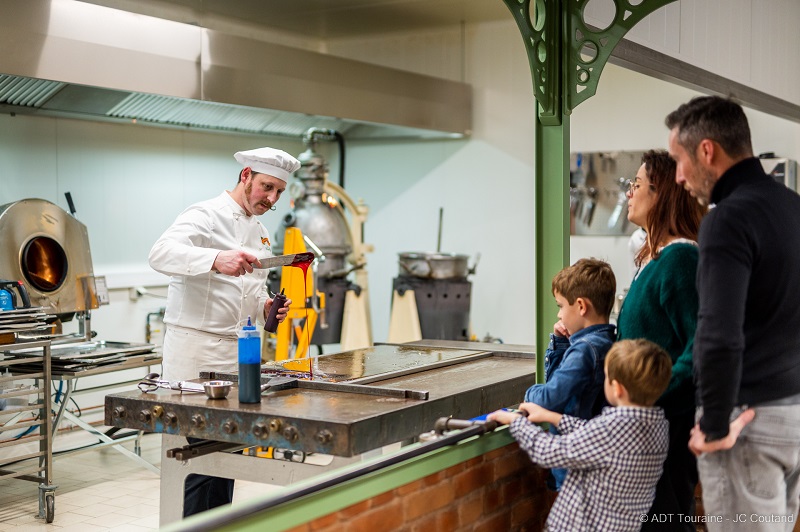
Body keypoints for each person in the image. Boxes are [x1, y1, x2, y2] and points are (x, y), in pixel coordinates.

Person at [667, 95, 800, 531]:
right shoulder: (793, 206)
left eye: (679, 160)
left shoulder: (727, 218)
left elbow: (719, 332)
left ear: (707, 150)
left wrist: (716, 423)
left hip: (746, 423)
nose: (679, 176)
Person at [149, 146, 300, 517]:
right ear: (245, 175)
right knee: (199, 457)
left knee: (228, 451)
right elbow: (160, 253)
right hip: (195, 353)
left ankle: (218, 525)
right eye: (267, 187)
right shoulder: (205, 214)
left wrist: (266, 306)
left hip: (238, 353)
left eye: (279, 191)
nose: (272, 198)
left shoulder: (262, 232)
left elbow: (251, 290)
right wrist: (216, 259)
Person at [489, 339, 672, 532]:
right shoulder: (657, 426)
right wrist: (552, 417)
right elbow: (593, 434)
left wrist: (517, 423)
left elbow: (550, 452)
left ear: (617, 388)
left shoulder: (611, 428)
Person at [615, 149, 706, 529]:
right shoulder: (654, 258)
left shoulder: (681, 260)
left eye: (635, 184)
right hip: (646, 422)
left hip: (665, 426)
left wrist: (652, 393)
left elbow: (700, 347)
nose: (628, 193)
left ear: (662, 193)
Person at [524, 258, 617, 490]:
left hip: (577, 470)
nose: (559, 316)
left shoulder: (585, 350)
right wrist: (561, 343)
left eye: (560, 306)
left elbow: (551, 398)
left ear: (581, 306)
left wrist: (529, 394)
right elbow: (563, 383)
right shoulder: (607, 342)